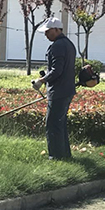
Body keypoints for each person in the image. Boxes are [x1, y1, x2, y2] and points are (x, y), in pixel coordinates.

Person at [31, 17, 76, 160]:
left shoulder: (57, 46)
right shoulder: (69, 44)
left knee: (52, 124)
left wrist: (41, 80)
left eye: (48, 31)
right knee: (60, 124)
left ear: (57, 29)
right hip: (67, 89)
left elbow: (57, 70)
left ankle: (55, 157)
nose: (46, 35)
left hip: (58, 91)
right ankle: (65, 155)